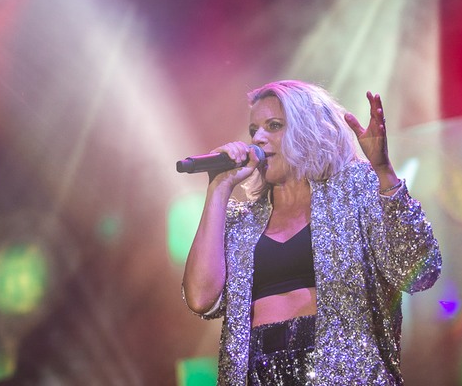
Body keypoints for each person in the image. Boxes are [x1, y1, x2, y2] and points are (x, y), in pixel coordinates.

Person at [181, 80, 441, 385]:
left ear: (308, 129)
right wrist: (219, 186)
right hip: (258, 375)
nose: (258, 139)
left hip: (343, 373)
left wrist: (383, 171)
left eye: (274, 126)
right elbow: (200, 298)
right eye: (253, 130)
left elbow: (418, 271)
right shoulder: (241, 223)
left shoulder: (355, 189)